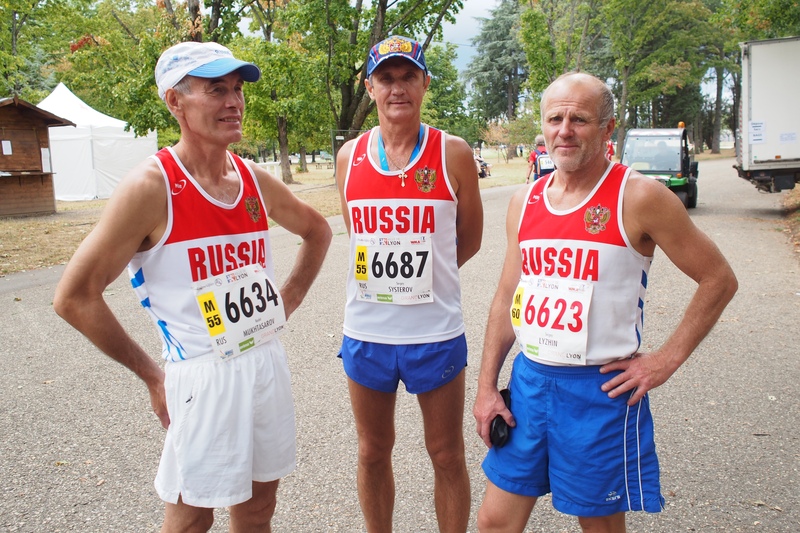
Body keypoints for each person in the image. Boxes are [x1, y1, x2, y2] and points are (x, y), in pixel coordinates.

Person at [53, 41, 332, 532]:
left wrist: (286, 301)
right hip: (202, 376)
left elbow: (318, 230)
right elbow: (74, 297)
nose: (234, 102)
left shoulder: (251, 178)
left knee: (258, 510)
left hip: (264, 361)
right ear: (174, 101)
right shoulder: (151, 186)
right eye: (216, 90)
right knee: (190, 520)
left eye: (238, 89)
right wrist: (152, 376)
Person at [472, 72, 737, 532]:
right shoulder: (525, 200)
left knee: (599, 528)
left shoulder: (639, 197)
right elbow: (506, 298)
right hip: (531, 385)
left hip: (599, 392)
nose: (565, 130)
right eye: (555, 118)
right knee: (494, 522)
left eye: (580, 119)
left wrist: (664, 361)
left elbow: (718, 279)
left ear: (608, 128)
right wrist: (486, 386)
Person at [335, 35, 483, 533]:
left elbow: (470, 238)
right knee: (372, 451)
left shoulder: (454, 153)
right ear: (371, 87)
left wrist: (429, 278)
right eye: (386, 79)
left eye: (407, 77)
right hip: (368, 333)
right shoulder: (348, 157)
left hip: (434, 332)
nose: (397, 89)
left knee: (445, 453)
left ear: (423, 84)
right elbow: (357, 233)